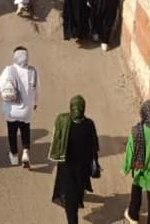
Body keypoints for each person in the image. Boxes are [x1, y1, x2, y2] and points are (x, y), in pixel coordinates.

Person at [50, 95, 100, 224]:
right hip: (82, 169)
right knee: (77, 193)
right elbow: (94, 146)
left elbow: (57, 139)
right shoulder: (89, 124)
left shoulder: (64, 121)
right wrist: (94, 162)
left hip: (66, 168)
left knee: (70, 199)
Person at [0, 47, 39, 169]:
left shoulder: (8, 70)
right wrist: (35, 103)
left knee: (12, 132)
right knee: (25, 129)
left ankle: (14, 156)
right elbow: (37, 89)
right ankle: (26, 152)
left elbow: (0, 86)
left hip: (11, 109)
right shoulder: (33, 71)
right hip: (26, 110)